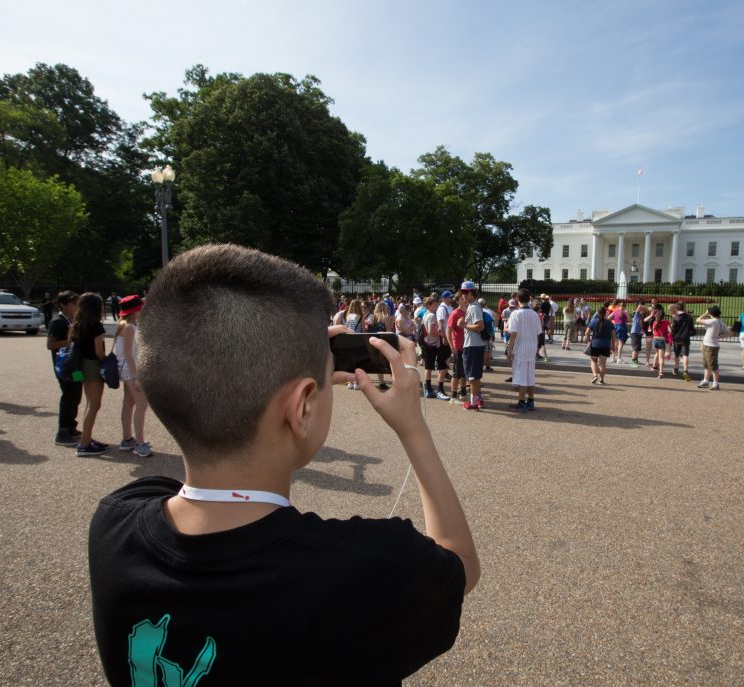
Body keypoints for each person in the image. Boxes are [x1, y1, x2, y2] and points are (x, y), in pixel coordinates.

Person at [88, 244, 478, 686]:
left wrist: (295, 365)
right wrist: (413, 428)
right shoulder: (368, 568)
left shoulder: (114, 524)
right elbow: (460, 563)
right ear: (302, 407)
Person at [72, 292, 110, 456]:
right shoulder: (96, 326)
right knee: (94, 405)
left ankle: (86, 438)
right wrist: (108, 361)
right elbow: (98, 352)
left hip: (78, 368)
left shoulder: (77, 324)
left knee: (88, 404)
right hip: (92, 366)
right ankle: (84, 443)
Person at [115, 295, 151, 458]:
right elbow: (129, 355)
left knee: (129, 403)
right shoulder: (129, 327)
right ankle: (140, 443)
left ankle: (127, 438)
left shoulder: (128, 326)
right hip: (130, 371)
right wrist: (136, 377)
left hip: (127, 370)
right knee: (141, 404)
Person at [48, 291, 84, 446]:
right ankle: (62, 431)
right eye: (73, 303)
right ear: (63, 304)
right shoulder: (58, 322)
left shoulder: (73, 320)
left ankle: (71, 426)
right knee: (68, 395)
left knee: (76, 394)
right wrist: (70, 339)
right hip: (65, 366)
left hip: (75, 366)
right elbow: (51, 344)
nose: (76, 307)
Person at [506, 289, 542, 411]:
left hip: (520, 347)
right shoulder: (535, 314)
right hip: (532, 346)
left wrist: (509, 349)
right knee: (530, 375)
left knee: (521, 376)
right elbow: (538, 333)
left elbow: (513, 334)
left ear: (518, 299)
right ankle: (530, 401)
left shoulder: (515, 314)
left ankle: (521, 402)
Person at [460, 282, 487, 410]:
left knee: (472, 376)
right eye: (462, 292)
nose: (463, 295)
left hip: (473, 345)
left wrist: (464, 325)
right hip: (474, 344)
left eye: (465, 293)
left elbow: (480, 326)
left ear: (472, 293)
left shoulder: (474, 307)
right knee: (475, 375)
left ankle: (474, 402)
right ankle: (478, 399)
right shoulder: (472, 306)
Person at [421, 298, 451, 400]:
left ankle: (428, 389)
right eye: (434, 305)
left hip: (427, 343)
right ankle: (439, 390)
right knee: (442, 366)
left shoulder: (425, 314)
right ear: (429, 305)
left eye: (437, 304)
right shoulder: (432, 316)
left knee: (428, 368)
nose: (436, 306)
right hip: (434, 344)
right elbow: (431, 331)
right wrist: (442, 334)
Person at [696, 306, 726, 390]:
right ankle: (706, 380)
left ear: (711, 313)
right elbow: (726, 332)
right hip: (709, 344)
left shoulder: (712, 321)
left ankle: (715, 383)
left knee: (712, 365)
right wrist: (717, 337)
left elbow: (698, 320)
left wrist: (705, 313)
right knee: (707, 365)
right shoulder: (720, 321)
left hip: (711, 346)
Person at [446, 291, 467, 404]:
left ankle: (462, 393)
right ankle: (453, 396)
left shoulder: (468, 312)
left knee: (464, 373)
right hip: (458, 346)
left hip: (467, 346)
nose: (465, 300)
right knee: (457, 373)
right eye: (463, 298)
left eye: (465, 298)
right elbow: (448, 331)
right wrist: (451, 346)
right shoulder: (455, 313)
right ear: (458, 300)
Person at [587, 305, 614, 384]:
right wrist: (613, 346)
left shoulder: (594, 321)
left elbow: (587, 333)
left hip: (595, 343)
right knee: (603, 364)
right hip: (606, 344)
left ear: (598, 313)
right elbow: (613, 336)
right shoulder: (609, 323)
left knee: (593, 361)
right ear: (605, 313)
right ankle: (601, 380)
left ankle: (595, 375)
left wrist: (589, 342)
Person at [670, 301, 694, 380]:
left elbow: (673, 329)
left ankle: (676, 368)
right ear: (684, 308)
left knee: (677, 354)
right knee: (685, 355)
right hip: (685, 337)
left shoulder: (676, 317)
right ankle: (685, 370)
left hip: (677, 338)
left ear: (677, 309)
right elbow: (692, 329)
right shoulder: (689, 317)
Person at [646, 307, 671, 379]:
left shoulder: (654, 322)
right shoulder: (666, 322)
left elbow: (654, 332)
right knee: (661, 358)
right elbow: (670, 331)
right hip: (662, 340)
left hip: (655, 340)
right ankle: (661, 372)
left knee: (656, 353)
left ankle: (654, 366)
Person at [611, 299, 629, 364]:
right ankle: (619, 358)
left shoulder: (615, 311)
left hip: (615, 326)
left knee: (615, 343)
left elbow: (608, 317)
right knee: (620, 343)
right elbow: (630, 319)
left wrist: (614, 320)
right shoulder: (625, 311)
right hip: (622, 327)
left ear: (619, 305)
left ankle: (613, 358)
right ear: (625, 306)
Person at [628, 301, 646, 367]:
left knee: (638, 348)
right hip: (635, 333)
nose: (644, 311)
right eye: (643, 310)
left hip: (638, 334)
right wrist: (646, 308)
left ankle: (636, 360)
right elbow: (640, 306)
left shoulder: (641, 316)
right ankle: (632, 362)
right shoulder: (637, 314)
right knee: (635, 348)